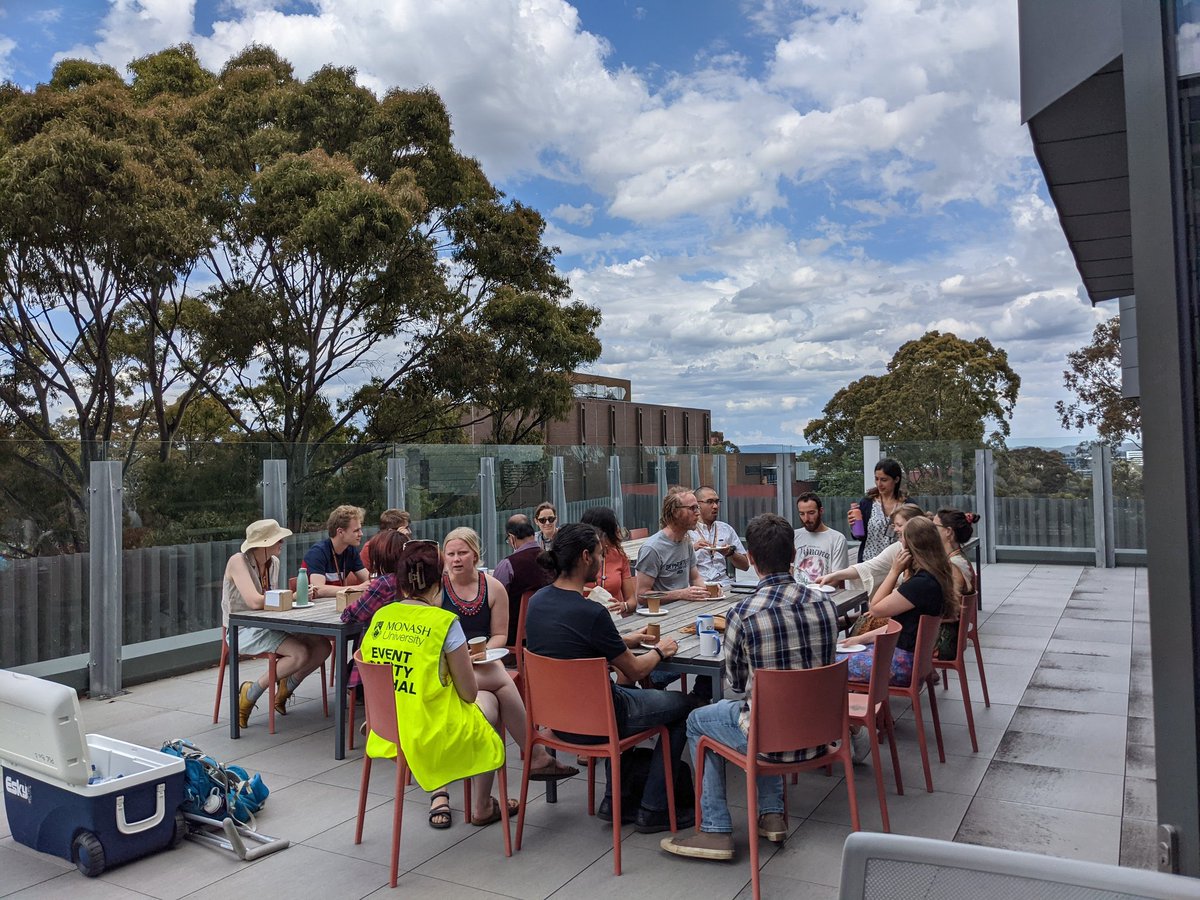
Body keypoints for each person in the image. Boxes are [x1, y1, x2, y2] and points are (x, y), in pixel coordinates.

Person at [661, 513, 838, 861]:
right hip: (821, 735)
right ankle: (771, 814)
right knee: (764, 711)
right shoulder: (825, 603)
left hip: (769, 739)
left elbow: (737, 685)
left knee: (700, 719)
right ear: (793, 557)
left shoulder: (743, 613)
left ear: (752, 561)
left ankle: (714, 830)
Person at [524, 523, 695, 833]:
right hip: (602, 721)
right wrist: (661, 649)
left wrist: (624, 641)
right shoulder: (591, 613)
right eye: (601, 555)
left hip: (557, 723)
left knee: (636, 697)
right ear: (586, 556)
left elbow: (574, 645)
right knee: (686, 706)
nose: (603, 561)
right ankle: (654, 806)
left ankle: (616, 799)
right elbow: (636, 671)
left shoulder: (537, 603)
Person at [358, 538, 510, 829]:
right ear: (439, 583)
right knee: (490, 702)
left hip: (388, 728)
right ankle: (481, 805)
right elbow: (468, 693)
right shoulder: (444, 622)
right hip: (430, 728)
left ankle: (440, 793)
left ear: (401, 584)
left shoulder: (380, 618)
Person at [441, 527, 579, 783]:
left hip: (481, 664)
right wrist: (461, 659)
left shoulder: (492, 588)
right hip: (448, 668)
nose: (456, 559)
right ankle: (535, 754)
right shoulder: (437, 591)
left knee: (490, 707)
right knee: (502, 680)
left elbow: (500, 635)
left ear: (475, 554)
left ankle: (483, 802)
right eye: (450, 554)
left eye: (462, 553)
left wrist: (478, 654)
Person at [225, 519, 332, 727]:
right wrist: (291, 597)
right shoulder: (238, 561)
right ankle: (250, 692)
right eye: (279, 540)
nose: (282, 543)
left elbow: (272, 600)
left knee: (322, 646)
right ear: (265, 543)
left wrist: (297, 598)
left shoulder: (273, 562)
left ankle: (286, 687)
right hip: (242, 628)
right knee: (300, 653)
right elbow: (255, 602)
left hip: (268, 624)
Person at [836, 516, 957, 688]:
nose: (899, 542)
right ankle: (873, 712)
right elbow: (899, 627)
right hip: (912, 662)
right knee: (845, 649)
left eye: (902, 538)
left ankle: (856, 712)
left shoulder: (920, 585)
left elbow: (875, 609)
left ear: (910, 547)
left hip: (899, 665)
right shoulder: (935, 577)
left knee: (831, 662)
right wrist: (860, 639)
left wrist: (894, 571)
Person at [341, 529, 408, 689]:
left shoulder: (384, 583)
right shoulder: (412, 580)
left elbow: (352, 615)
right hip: (406, 650)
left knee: (350, 662)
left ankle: (359, 692)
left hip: (380, 654)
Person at [818, 504, 925, 600]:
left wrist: (895, 571)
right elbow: (868, 567)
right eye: (894, 526)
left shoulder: (926, 557)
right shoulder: (898, 548)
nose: (895, 530)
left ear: (914, 526)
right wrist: (834, 576)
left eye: (899, 525)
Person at [634, 491, 710, 603]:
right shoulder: (652, 548)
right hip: (659, 615)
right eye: (692, 508)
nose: (697, 513)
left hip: (683, 610)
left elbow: (695, 578)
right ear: (675, 512)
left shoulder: (686, 542)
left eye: (697, 507)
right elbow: (642, 596)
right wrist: (680, 594)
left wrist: (708, 591)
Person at [492, 514, 551, 644]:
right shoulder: (551, 559)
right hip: (548, 629)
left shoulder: (508, 565)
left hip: (514, 636)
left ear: (512, 538)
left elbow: (494, 598)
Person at [931, 508, 979, 658]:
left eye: (934, 527)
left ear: (948, 532)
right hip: (947, 636)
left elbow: (951, 611)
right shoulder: (958, 559)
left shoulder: (953, 566)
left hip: (944, 641)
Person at [688, 486, 749, 592]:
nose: (715, 506)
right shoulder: (687, 531)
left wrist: (730, 553)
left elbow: (745, 566)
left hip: (725, 585)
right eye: (710, 502)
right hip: (699, 588)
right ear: (697, 505)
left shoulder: (725, 529)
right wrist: (693, 548)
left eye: (717, 502)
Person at [848, 458, 909, 563]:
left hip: (898, 563)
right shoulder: (867, 502)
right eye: (876, 479)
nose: (879, 484)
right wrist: (853, 525)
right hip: (869, 562)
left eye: (884, 480)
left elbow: (915, 537)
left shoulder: (907, 505)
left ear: (896, 479)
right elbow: (859, 537)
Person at [303, 505, 370, 599]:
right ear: (340, 532)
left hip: (336, 603)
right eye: (356, 530)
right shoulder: (317, 552)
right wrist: (356, 588)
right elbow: (318, 589)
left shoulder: (351, 550)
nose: (361, 534)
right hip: (314, 609)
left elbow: (368, 579)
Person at [581, 506, 636, 615]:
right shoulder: (578, 559)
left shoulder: (619, 556)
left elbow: (632, 601)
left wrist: (623, 606)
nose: (617, 532)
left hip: (614, 620)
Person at [792, 491, 849, 586]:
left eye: (811, 513)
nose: (806, 518)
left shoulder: (837, 539)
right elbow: (790, 569)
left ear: (821, 511)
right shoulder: (794, 536)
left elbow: (837, 578)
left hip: (824, 594)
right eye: (802, 514)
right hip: (797, 593)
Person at [360, 508, 411, 575]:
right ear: (391, 531)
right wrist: (398, 538)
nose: (409, 531)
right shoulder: (370, 547)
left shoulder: (405, 544)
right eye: (405, 528)